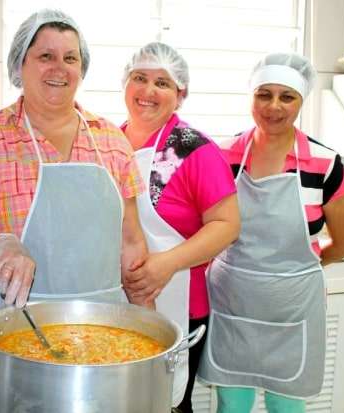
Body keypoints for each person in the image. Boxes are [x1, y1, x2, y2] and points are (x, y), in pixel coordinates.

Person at [0, 9, 148, 386]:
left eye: (70, 58)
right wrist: (1, 244)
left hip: (102, 336)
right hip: (14, 333)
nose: (58, 69)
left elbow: (130, 242)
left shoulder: (112, 140)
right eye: (45, 56)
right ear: (20, 64)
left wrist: (149, 327)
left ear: (82, 68)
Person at [197, 52, 344, 413]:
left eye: (286, 96)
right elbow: (203, 228)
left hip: (293, 310)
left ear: (302, 100)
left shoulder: (324, 163)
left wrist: (298, 270)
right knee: (231, 405)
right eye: (263, 94)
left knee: (286, 406)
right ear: (251, 96)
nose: (273, 106)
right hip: (233, 302)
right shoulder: (222, 156)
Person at [120, 42, 240, 412]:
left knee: (166, 402)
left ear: (180, 94)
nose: (148, 91)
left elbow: (227, 224)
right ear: (125, 84)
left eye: (163, 83)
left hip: (179, 302)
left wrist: (167, 263)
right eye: (140, 78)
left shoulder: (195, 150)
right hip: (115, 297)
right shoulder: (105, 140)